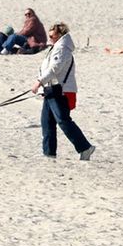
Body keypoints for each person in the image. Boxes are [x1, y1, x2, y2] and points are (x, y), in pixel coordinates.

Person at [29, 22, 96, 160]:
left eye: (52, 36)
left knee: (63, 120)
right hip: (50, 90)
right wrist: (42, 86)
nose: (50, 38)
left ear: (60, 35)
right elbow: (47, 69)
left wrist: (39, 82)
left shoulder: (62, 49)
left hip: (60, 90)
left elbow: (55, 69)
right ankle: (49, 153)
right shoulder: (56, 48)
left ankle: (85, 147)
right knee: (47, 122)